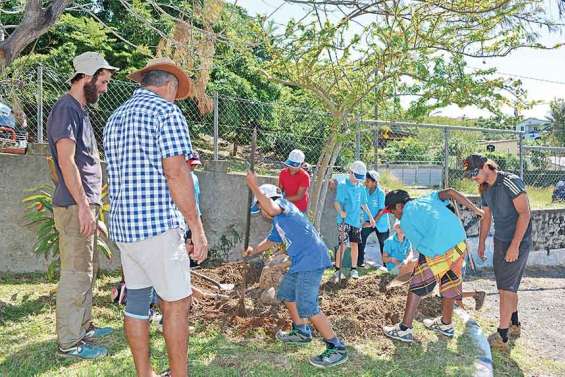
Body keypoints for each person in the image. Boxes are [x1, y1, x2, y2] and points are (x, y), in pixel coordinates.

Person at [104, 57, 208, 377]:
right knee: (177, 304)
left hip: (124, 229)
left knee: (136, 304)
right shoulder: (166, 112)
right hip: (157, 228)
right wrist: (196, 228)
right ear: (170, 86)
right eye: (176, 93)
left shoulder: (114, 118)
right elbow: (177, 173)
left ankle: (144, 373)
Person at [46, 51, 117, 359]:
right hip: (76, 207)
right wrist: (84, 207)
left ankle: (83, 327)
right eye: (102, 82)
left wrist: (92, 207)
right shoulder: (66, 109)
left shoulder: (81, 111)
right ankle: (69, 344)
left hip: (83, 206)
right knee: (76, 273)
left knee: (87, 270)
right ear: (86, 78)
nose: (104, 88)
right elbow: (66, 161)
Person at [243, 172, 348, 368]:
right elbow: (271, 241)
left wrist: (254, 187)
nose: (262, 213)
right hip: (300, 262)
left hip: (312, 260)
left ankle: (337, 347)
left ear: (267, 201)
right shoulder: (279, 221)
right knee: (286, 293)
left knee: (307, 305)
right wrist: (253, 250)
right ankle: (301, 331)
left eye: (260, 208)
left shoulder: (285, 207)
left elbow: (272, 207)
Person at [382, 188, 484, 343]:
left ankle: (404, 329)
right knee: (450, 282)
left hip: (438, 247)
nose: (393, 215)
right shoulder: (427, 198)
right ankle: (446, 325)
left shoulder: (405, 220)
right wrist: (476, 209)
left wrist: (420, 267)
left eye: (391, 211)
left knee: (417, 284)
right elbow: (450, 192)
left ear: (398, 206)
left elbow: (423, 247)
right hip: (459, 241)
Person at [464, 153, 531, 352]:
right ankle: (514, 324)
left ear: (486, 167)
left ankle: (502, 336)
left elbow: (525, 213)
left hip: (518, 240)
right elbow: (487, 216)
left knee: (505, 289)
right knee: (508, 285)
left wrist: (515, 245)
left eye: (475, 173)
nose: (473, 177)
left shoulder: (510, 182)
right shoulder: (485, 188)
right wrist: (482, 242)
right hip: (502, 240)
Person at [333, 161, 375, 280]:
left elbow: (363, 204)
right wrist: (341, 212)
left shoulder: (360, 187)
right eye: (356, 177)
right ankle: (337, 270)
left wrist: (371, 217)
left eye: (359, 178)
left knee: (355, 244)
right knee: (343, 245)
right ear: (350, 172)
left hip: (356, 221)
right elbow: (336, 202)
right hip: (344, 221)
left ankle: (353, 269)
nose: (357, 180)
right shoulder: (342, 185)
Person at [358, 170, 390, 267]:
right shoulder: (364, 191)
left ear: (375, 182)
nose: (366, 183)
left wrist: (372, 222)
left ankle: (386, 266)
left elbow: (382, 210)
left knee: (383, 245)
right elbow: (361, 205)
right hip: (369, 221)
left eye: (368, 181)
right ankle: (360, 262)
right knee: (361, 239)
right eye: (366, 181)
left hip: (381, 223)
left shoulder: (380, 193)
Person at [278, 149, 310, 213]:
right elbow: (280, 189)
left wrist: (283, 199)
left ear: (302, 164)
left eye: (294, 166)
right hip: (286, 205)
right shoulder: (283, 173)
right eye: (290, 165)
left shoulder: (305, 176)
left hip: (299, 208)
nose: (291, 168)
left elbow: (299, 196)